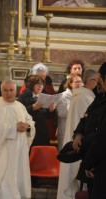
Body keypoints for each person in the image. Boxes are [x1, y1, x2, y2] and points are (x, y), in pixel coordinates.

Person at [0, 80, 35, 199]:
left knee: (18, 174)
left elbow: (29, 120)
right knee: (4, 177)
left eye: (11, 90)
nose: (8, 93)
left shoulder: (20, 106)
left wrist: (28, 126)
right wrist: (14, 127)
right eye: (5, 90)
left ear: (16, 91)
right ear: (1, 91)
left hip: (19, 148)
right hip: (3, 149)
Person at [57, 69, 98, 199]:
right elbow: (90, 125)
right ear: (91, 81)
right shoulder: (86, 98)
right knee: (77, 180)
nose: (99, 84)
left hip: (74, 138)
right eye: (98, 81)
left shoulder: (80, 96)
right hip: (79, 142)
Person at [72, 62, 106, 199]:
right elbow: (87, 116)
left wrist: (89, 164)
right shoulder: (100, 97)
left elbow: (103, 138)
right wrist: (78, 133)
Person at [18, 75, 56, 147]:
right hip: (29, 129)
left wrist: (51, 110)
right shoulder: (24, 96)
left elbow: (48, 116)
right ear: (32, 85)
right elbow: (19, 111)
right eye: (38, 84)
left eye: (42, 84)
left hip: (42, 130)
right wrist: (33, 107)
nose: (40, 86)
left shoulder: (45, 96)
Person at [56, 74, 83, 151]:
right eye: (76, 82)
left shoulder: (83, 96)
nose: (79, 84)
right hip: (66, 129)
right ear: (70, 83)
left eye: (80, 82)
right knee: (66, 153)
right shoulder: (62, 96)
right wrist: (73, 105)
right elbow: (61, 113)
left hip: (78, 129)